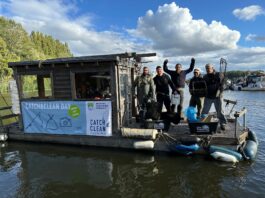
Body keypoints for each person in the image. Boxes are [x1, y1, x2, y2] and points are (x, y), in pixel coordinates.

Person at [201, 63, 227, 130]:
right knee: (204, 111)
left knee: (220, 111)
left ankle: (222, 123)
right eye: (206, 68)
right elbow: (203, 86)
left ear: (212, 68)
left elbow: (224, 83)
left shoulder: (219, 74)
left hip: (218, 96)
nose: (207, 69)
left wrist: (222, 89)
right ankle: (202, 122)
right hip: (208, 96)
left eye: (209, 68)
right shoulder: (205, 77)